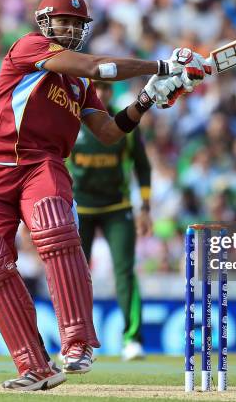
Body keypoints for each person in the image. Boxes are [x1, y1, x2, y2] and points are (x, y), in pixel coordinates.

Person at [0, 0, 210, 391]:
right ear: (44, 22)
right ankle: (34, 367)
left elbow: (109, 132)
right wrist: (161, 65)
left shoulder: (78, 86)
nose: (71, 28)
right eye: (64, 21)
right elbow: (97, 67)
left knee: (54, 228)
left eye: (78, 23)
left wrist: (146, 98)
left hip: (41, 165)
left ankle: (77, 344)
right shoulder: (29, 47)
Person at [69, 80, 151, 361]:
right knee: (75, 275)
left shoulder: (124, 121)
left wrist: (146, 206)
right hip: (81, 209)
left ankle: (132, 340)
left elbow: (142, 165)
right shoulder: (72, 119)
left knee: (125, 273)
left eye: (106, 89)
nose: (101, 94)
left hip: (118, 206)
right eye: (97, 88)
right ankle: (76, 342)